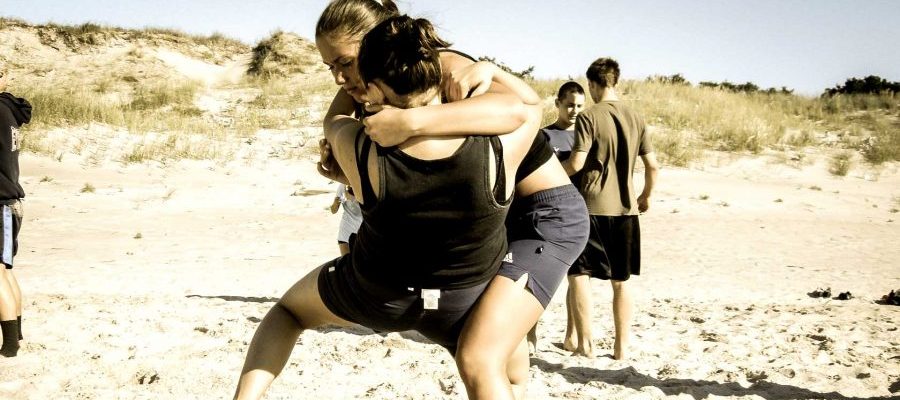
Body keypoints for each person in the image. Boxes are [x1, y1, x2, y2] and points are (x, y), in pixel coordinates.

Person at [234, 15, 545, 400]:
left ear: (374, 87)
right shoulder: (500, 146)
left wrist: (357, 89)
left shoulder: (361, 147)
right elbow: (528, 105)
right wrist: (487, 70)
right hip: (465, 297)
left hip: (377, 292)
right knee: (503, 371)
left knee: (288, 313)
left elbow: (334, 120)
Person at [312, 1, 587, 399]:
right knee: (500, 359)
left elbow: (519, 109)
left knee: (477, 358)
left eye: (344, 62)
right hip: (497, 217)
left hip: (545, 215)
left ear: (374, 43)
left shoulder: (441, 67)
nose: (338, 78)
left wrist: (411, 122)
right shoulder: (377, 82)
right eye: (328, 67)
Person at [562, 58, 660, 360]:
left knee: (579, 275)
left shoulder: (589, 117)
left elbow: (577, 163)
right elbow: (653, 166)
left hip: (590, 207)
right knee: (621, 281)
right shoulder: (636, 118)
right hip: (626, 210)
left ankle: (587, 344)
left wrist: (550, 173)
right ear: (615, 81)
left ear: (592, 84)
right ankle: (621, 346)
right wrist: (645, 196)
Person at [526, 81, 586, 352]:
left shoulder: (585, 136)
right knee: (537, 281)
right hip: (547, 215)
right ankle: (530, 335)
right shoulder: (544, 136)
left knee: (578, 281)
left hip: (578, 217)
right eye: (570, 104)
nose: (574, 110)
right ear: (558, 104)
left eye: (579, 106)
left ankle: (572, 336)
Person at [0, 61, 30, 357]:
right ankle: (16, 336)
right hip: (10, 202)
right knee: (5, 271)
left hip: (1, 202)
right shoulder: (9, 109)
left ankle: (9, 346)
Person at [328, 183, 362, 255]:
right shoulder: (342, 186)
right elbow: (333, 211)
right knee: (346, 262)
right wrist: (336, 203)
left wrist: (353, 198)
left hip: (362, 232)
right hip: (345, 232)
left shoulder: (364, 184)